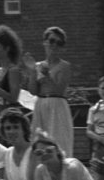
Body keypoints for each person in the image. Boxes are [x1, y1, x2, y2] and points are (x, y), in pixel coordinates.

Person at [24, 26, 74, 157]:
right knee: (38, 141)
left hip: (57, 106)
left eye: (59, 43)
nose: (55, 45)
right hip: (41, 105)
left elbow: (59, 90)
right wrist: (32, 72)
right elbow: (33, 90)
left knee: (59, 143)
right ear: (45, 42)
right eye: (52, 41)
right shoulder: (38, 65)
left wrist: (47, 76)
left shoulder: (65, 66)